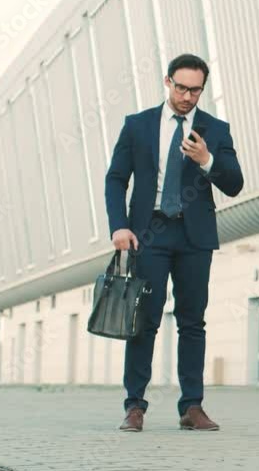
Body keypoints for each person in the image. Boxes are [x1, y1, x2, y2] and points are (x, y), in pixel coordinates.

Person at [104, 53, 243, 432]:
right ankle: (135, 406)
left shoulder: (215, 129)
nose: (186, 96)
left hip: (194, 234)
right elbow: (116, 178)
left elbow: (234, 183)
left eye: (194, 90)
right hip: (149, 232)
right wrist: (119, 226)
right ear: (168, 82)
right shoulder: (138, 126)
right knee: (144, 320)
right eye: (180, 87)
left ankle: (192, 407)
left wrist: (207, 159)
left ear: (202, 89)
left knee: (192, 321)